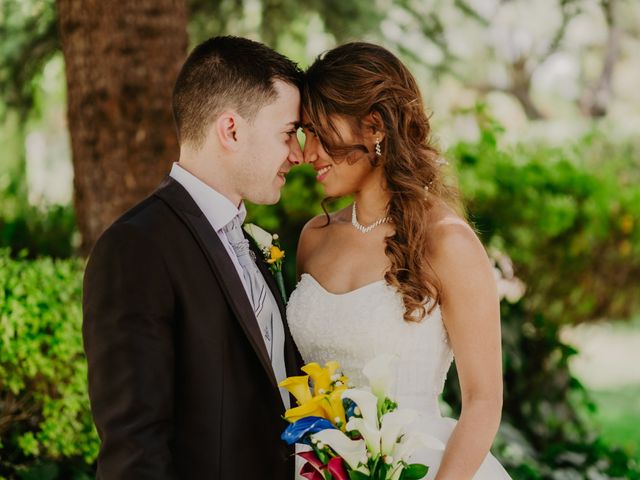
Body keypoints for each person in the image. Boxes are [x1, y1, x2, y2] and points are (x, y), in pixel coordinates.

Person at [287, 42, 512, 479]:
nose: (307, 151)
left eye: (318, 131)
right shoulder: (313, 239)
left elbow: (484, 400)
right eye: (303, 132)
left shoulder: (447, 243)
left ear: (374, 126)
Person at [83, 36, 303, 479]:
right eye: (287, 133)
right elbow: (135, 450)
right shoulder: (135, 249)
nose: (297, 155)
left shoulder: (250, 243)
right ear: (231, 129)